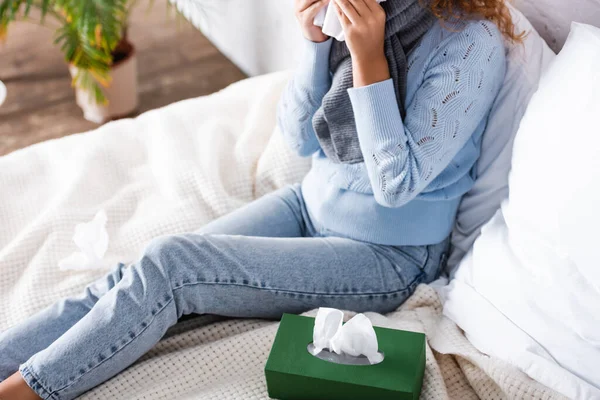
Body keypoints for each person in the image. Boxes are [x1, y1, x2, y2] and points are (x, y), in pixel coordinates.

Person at [0, 0, 517, 398]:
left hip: (387, 256)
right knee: (132, 274)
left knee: (172, 266)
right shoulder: (374, 13)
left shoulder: (471, 44)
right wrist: (316, 45)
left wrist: (369, 57)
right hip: (306, 205)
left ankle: (28, 390)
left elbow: (396, 185)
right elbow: (298, 137)